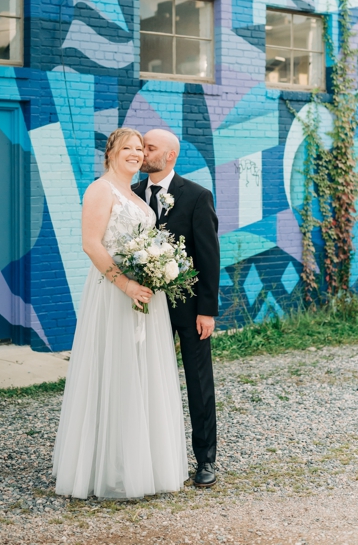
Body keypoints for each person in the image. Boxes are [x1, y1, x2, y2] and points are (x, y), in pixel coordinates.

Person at [53, 127, 188, 499]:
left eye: (139, 149)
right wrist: (125, 284)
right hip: (113, 295)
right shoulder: (101, 190)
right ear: (111, 152)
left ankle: (142, 465)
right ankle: (108, 469)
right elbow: (91, 244)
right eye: (126, 147)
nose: (135, 153)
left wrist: (159, 269)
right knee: (114, 373)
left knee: (141, 375)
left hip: (145, 296)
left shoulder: (135, 195)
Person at [135, 129, 220, 488]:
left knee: (198, 382)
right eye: (141, 147)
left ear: (169, 156)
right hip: (143, 306)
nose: (142, 153)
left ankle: (206, 460)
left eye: (149, 148)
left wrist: (207, 310)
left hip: (188, 308)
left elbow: (209, 255)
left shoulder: (197, 196)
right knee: (145, 379)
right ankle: (151, 457)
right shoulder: (131, 193)